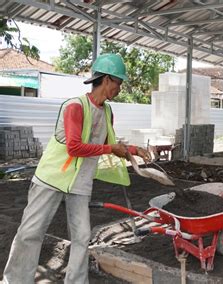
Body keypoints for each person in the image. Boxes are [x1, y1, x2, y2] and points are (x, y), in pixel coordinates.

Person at [2, 53, 151, 284]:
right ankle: (15, 280)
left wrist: (133, 149)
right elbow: (74, 147)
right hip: (52, 178)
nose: (120, 89)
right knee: (31, 233)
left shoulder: (108, 112)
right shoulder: (75, 107)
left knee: (82, 236)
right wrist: (112, 149)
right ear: (107, 79)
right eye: (119, 83)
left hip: (80, 182)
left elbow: (105, 143)